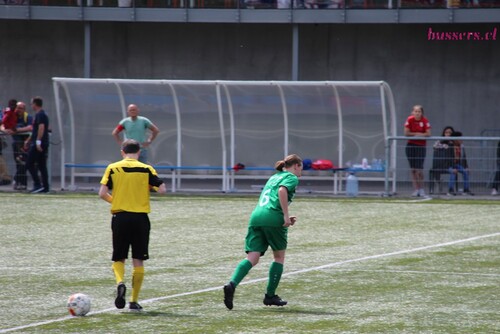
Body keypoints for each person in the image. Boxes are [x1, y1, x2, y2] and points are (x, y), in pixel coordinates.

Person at [223, 154, 303, 310]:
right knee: (279, 257)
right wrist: (285, 216)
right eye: (301, 168)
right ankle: (270, 296)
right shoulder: (291, 177)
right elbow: (282, 191)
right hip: (273, 218)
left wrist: (283, 215)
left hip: (257, 216)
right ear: (296, 166)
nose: (301, 172)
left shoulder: (274, 177)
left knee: (252, 257)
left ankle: (232, 283)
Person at [98, 139, 167, 312]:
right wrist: (148, 188)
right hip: (140, 219)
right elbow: (162, 190)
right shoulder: (146, 169)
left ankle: (120, 282)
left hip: (120, 217)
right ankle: (134, 301)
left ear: (122, 151)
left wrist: (118, 200)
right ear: (139, 152)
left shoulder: (113, 168)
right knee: (138, 259)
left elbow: (102, 193)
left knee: (119, 256)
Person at [4, 102, 33, 190]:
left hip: (25, 145)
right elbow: (3, 125)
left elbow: (31, 127)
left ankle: (20, 182)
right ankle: (19, 183)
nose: (18, 110)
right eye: (17, 108)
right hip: (16, 144)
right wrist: (8, 130)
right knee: (18, 163)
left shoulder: (28, 117)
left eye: (21, 108)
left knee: (23, 163)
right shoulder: (11, 116)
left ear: (24, 110)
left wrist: (16, 130)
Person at [404, 104, 431, 197]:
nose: (417, 113)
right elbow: (406, 133)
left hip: (421, 146)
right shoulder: (409, 119)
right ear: (412, 112)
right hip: (411, 145)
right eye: (415, 111)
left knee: (419, 169)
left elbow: (428, 133)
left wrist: (420, 135)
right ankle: (416, 189)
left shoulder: (425, 121)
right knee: (413, 170)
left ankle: (422, 188)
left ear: (421, 113)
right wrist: (417, 134)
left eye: (419, 111)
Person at [25, 97, 50, 193]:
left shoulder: (40, 115)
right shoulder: (39, 115)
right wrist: (28, 140)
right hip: (38, 142)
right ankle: (45, 187)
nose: (31, 105)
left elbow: (41, 128)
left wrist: (38, 142)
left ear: (35, 104)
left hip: (39, 143)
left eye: (32, 104)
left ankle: (38, 184)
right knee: (41, 165)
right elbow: (35, 130)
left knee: (29, 163)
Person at [429, 126, 454, 194]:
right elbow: (434, 146)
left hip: (448, 165)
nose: (448, 134)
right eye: (446, 132)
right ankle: (438, 182)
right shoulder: (440, 141)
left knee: (453, 171)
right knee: (436, 169)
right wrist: (444, 145)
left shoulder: (453, 143)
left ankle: (450, 190)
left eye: (450, 133)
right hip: (438, 164)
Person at [447, 131, 473, 196]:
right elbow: (447, 159)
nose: (461, 140)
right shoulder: (449, 146)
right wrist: (453, 168)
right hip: (448, 165)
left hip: (457, 165)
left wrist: (466, 166)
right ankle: (450, 190)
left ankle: (466, 190)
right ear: (455, 139)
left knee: (465, 172)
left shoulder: (461, 146)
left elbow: (464, 157)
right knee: (453, 172)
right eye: (460, 138)